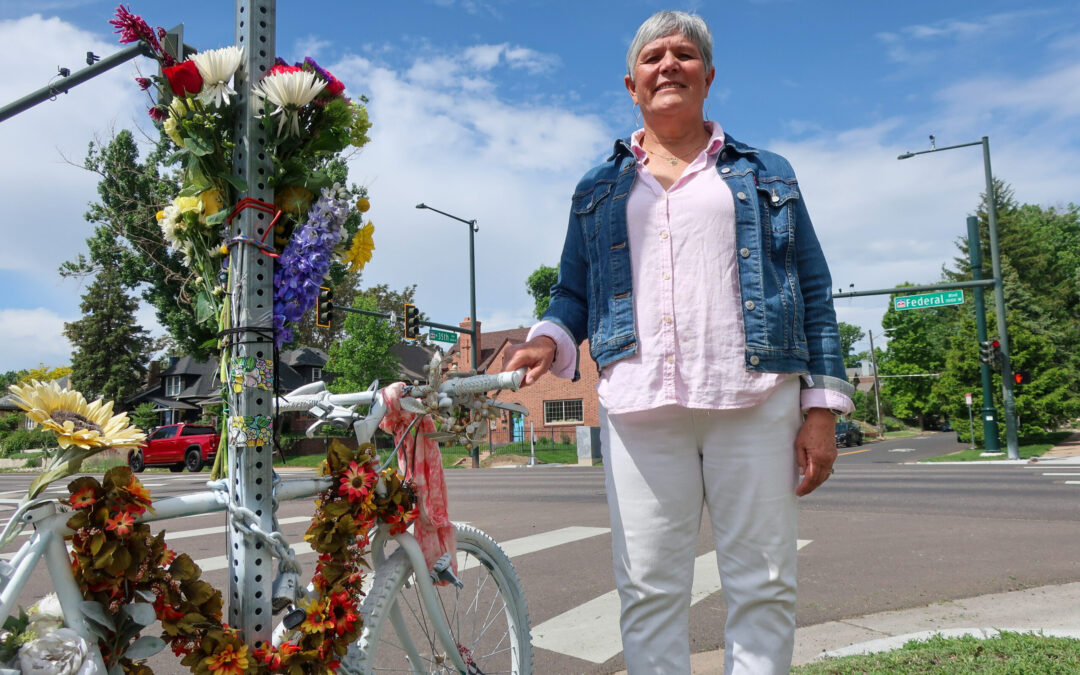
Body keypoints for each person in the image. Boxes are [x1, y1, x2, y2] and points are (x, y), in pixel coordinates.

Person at [503, 9, 854, 675]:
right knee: (647, 591)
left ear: (709, 76)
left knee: (763, 584)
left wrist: (821, 408)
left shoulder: (766, 173)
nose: (669, 64)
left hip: (754, 401)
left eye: (684, 54)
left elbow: (812, 284)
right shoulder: (599, 187)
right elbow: (573, 291)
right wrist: (547, 338)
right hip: (640, 411)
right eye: (653, 56)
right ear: (631, 85)